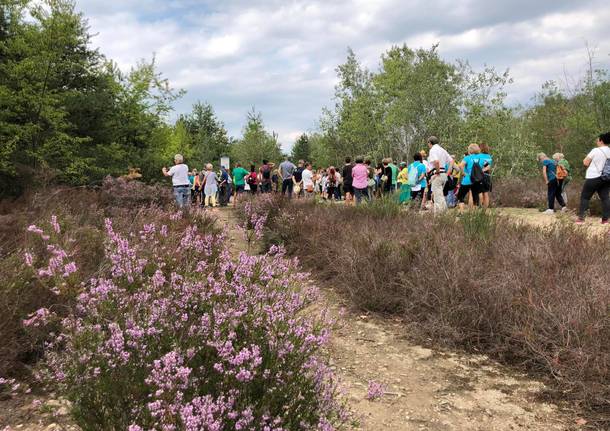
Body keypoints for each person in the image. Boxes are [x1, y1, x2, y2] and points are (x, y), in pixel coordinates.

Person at [576, 132, 610, 224]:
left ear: (601, 140)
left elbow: (585, 163)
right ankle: (605, 220)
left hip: (593, 176)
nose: (597, 141)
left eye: (598, 139)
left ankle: (581, 219)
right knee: (605, 198)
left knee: (585, 197)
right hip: (606, 178)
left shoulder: (596, 150)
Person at [427, 136, 454, 214]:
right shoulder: (443, 150)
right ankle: (444, 213)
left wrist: (437, 172)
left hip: (437, 174)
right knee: (440, 195)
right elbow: (452, 161)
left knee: (437, 197)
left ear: (430, 142)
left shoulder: (432, 150)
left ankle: (440, 215)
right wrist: (448, 171)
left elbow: (436, 162)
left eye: (428, 143)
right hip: (444, 174)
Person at [458, 144, 485, 210]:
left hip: (467, 180)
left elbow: (461, 165)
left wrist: (464, 173)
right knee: (475, 197)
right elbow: (485, 167)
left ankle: (461, 212)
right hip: (476, 180)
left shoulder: (467, 157)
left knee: (461, 196)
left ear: (470, 150)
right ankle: (474, 214)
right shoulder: (481, 158)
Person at [479, 143, 493, 208]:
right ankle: (485, 209)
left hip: (480, 175)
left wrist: (481, 170)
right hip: (487, 176)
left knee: (479, 192)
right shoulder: (489, 156)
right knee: (486, 192)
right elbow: (488, 166)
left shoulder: (478, 155)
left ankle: (480, 206)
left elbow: (486, 166)